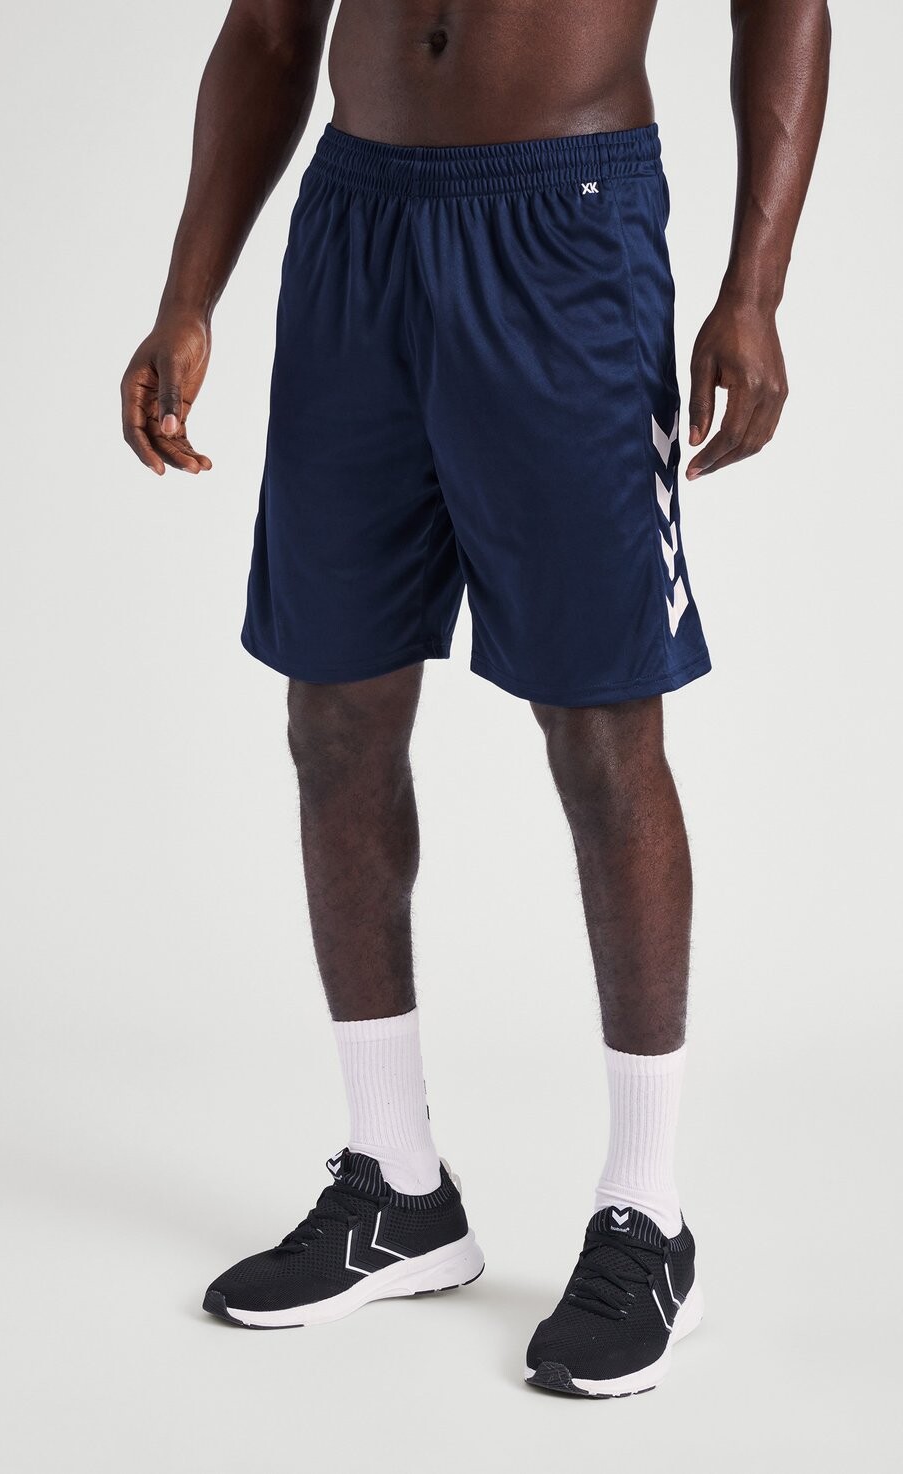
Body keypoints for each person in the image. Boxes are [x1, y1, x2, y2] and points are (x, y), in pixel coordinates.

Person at [121, 1, 830, 1397]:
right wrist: (189, 293)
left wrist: (755, 287)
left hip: (567, 223)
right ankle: (396, 1185)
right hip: (356, 224)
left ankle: (649, 1215)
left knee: (602, 727)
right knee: (333, 712)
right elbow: (269, 30)